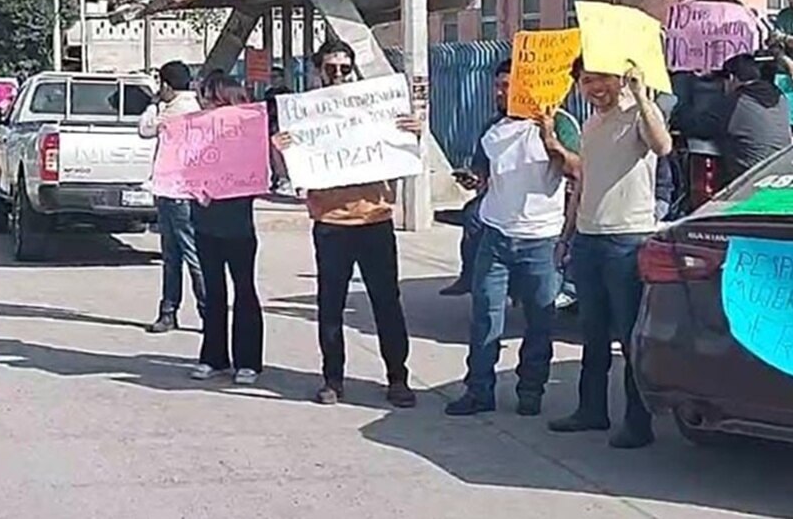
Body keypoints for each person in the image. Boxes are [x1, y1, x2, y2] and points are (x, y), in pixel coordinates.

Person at [272, 39, 422, 408]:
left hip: (375, 219)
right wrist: (280, 149)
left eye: (344, 67)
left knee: (387, 303)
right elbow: (287, 174)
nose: (338, 73)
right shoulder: (305, 113)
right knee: (331, 305)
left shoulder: (377, 107)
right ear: (318, 70)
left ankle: (398, 378)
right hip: (331, 223)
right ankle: (333, 379)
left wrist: (413, 132)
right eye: (331, 67)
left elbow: (404, 154)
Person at [445, 58, 580, 417]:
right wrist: (474, 180)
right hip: (496, 236)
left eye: (507, 86)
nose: (500, 93)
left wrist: (549, 138)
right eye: (497, 86)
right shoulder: (493, 128)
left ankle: (531, 390)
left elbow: (576, 170)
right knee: (485, 317)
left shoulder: (560, 123)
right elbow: (483, 173)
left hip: (541, 240)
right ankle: (478, 390)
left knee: (540, 321)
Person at [550, 59, 673, 449]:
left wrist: (641, 94)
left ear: (619, 78)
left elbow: (663, 146)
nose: (594, 87)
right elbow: (584, 182)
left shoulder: (639, 114)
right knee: (593, 332)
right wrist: (566, 235)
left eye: (601, 78)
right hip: (588, 239)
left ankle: (638, 423)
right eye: (586, 80)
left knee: (629, 335)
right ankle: (591, 410)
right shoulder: (590, 125)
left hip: (627, 241)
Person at [189, 72, 264, 386]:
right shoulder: (197, 132)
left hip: (238, 227)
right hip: (205, 223)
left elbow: (261, 174)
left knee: (244, 290)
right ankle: (213, 357)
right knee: (213, 291)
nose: (204, 104)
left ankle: (248, 361)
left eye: (210, 98)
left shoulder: (249, 133)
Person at [139, 60, 206, 334]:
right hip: (173, 190)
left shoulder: (177, 110)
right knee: (174, 254)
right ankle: (170, 311)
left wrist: (153, 104)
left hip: (179, 193)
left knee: (187, 254)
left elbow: (145, 129)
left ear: (166, 85)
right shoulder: (195, 105)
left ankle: (203, 312)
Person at [675, 53, 793, 188]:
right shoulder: (780, 97)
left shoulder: (736, 102)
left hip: (748, 180)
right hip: (779, 176)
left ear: (731, 78)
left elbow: (694, 125)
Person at [265, 67, 293, 194]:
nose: (273, 80)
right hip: (271, 127)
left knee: (282, 154)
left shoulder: (287, 94)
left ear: (282, 78)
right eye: (271, 77)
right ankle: (278, 178)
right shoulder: (268, 93)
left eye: (275, 77)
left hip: (283, 127)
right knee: (273, 155)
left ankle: (285, 178)